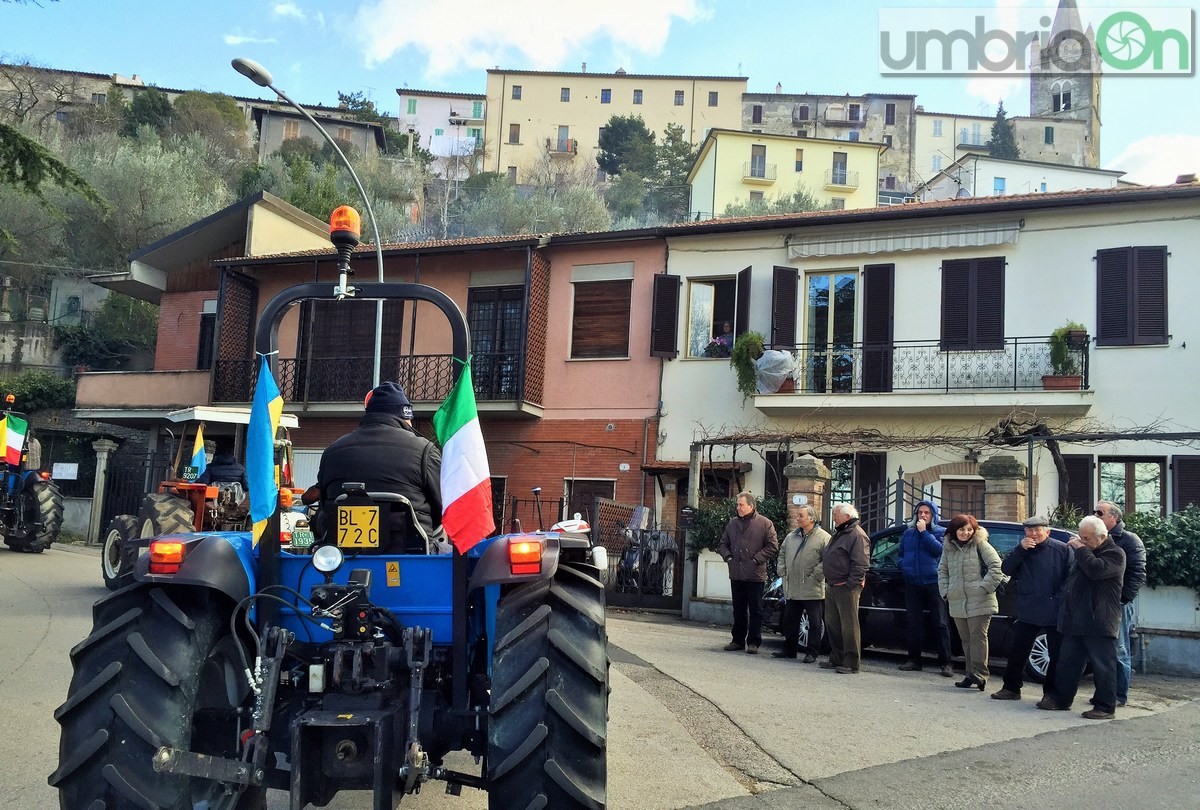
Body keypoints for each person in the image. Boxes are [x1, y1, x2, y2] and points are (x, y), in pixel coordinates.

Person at [316, 382, 443, 548]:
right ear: (405, 417)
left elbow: (325, 504)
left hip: (340, 553)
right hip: (411, 550)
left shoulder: (332, 452)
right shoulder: (425, 450)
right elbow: (442, 507)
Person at [1037, 515, 1126, 719]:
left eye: (1087, 538)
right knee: (1068, 663)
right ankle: (1061, 699)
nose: (1082, 541)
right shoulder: (1087, 551)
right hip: (1076, 619)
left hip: (1099, 620)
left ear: (1102, 537)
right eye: (1081, 537)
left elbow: (1096, 570)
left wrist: (1080, 549)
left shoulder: (1115, 553)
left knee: (1103, 666)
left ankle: (1105, 706)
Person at [990, 515, 1072, 702]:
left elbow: (1070, 577)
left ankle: (1050, 694)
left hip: (1053, 610)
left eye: (1038, 530)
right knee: (1018, 651)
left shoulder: (1062, 550)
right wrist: (1020, 550)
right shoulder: (1022, 550)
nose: (1034, 534)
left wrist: (1057, 598)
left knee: (1055, 655)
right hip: (1028, 608)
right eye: (1030, 530)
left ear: (1047, 531)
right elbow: (1007, 569)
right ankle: (1011, 688)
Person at [937, 514, 1005, 691]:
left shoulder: (980, 544)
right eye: (962, 529)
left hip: (980, 601)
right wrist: (946, 591)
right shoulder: (948, 548)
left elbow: (997, 566)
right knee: (966, 640)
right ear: (954, 530)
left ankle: (980, 675)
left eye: (969, 529)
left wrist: (983, 588)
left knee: (978, 638)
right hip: (957, 600)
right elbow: (942, 570)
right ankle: (970, 674)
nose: (966, 533)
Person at [1091, 501, 1146, 708]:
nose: (1095, 515)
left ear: (1114, 517)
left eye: (1100, 512)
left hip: (1117, 603)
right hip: (1097, 601)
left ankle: (1119, 694)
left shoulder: (1129, 540)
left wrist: (1122, 599)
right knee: (1101, 649)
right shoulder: (1094, 537)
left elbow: (1138, 573)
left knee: (1119, 648)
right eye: (1094, 511)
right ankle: (1103, 693)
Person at [896, 499, 953, 677]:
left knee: (940, 622)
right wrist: (902, 565)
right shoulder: (908, 534)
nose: (922, 515)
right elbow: (900, 554)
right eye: (920, 512)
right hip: (912, 582)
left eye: (926, 513)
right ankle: (914, 660)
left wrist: (924, 533)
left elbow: (940, 552)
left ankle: (946, 662)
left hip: (933, 582)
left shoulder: (941, 532)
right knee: (913, 623)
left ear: (933, 516)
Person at [718, 491, 779, 654]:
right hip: (736, 573)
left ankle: (753, 642)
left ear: (751, 506)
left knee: (756, 610)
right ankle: (737, 640)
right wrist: (729, 558)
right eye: (737, 504)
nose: (737, 507)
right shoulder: (732, 524)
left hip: (755, 574)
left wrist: (755, 560)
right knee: (738, 609)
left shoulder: (765, 523)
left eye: (741, 505)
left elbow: (773, 546)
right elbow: (723, 543)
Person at [772, 504, 829, 662]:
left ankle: (812, 652)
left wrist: (816, 576)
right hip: (793, 586)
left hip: (812, 587)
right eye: (797, 515)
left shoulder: (824, 537)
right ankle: (789, 650)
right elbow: (782, 553)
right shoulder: (791, 537)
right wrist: (782, 570)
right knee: (790, 620)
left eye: (801, 516)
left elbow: (828, 560)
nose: (797, 518)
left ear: (811, 518)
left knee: (815, 622)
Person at [818, 502, 870, 674]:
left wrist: (850, 585)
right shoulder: (840, 533)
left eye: (836, 515)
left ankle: (851, 662)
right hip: (833, 585)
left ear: (847, 517)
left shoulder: (857, 535)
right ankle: (837, 658)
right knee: (833, 624)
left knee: (849, 626)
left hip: (846, 587)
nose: (833, 518)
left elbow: (861, 564)